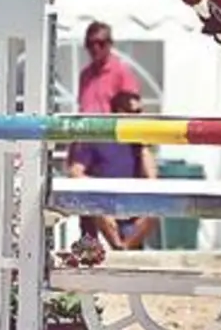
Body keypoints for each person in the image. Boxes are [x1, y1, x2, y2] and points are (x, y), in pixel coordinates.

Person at [67, 89, 159, 250]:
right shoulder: (98, 138)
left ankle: (123, 249)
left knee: (155, 212)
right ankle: (119, 248)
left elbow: (152, 178)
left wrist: (144, 145)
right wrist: (100, 190)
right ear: (120, 113)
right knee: (97, 207)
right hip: (103, 205)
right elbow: (75, 171)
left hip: (130, 209)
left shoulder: (137, 143)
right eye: (136, 112)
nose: (140, 116)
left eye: (141, 112)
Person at [78, 21, 138, 115]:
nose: (95, 48)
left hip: (112, 128)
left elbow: (134, 109)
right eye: (90, 44)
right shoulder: (85, 75)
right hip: (88, 128)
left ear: (110, 44)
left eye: (100, 43)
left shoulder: (122, 71)